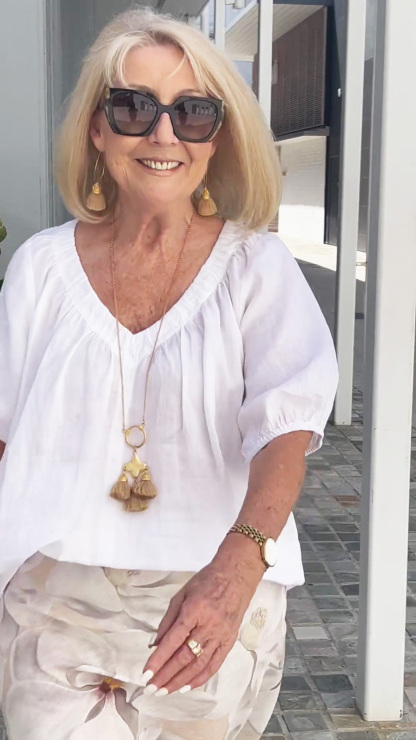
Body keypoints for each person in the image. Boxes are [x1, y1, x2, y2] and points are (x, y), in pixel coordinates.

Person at [0, 7, 338, 739]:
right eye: (134, 107)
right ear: (97, 128)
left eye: (192, 112)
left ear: (217, 137)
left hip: (212, 593)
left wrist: (238, 569)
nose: (163, 135)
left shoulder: (257, 268)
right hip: (52, 603)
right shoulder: (40, 270)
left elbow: (286, 431)